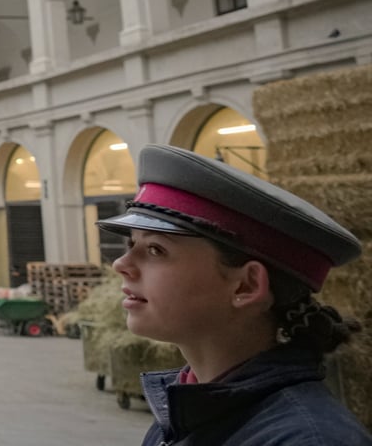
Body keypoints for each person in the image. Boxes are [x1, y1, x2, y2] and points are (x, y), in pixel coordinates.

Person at [98, 144, 371, 446]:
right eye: (130, 245)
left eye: (155, 249)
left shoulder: (306, 440)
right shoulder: (190, 408)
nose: (121, 265)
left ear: (246, 286)